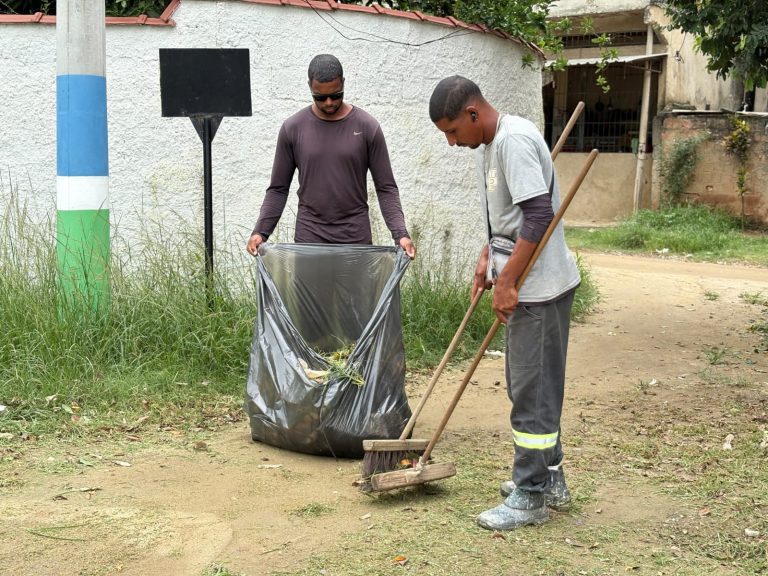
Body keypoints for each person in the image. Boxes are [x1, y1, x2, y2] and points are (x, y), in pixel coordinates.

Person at [428, 76, 580, 531]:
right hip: (528, 286)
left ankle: (530, 494)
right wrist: (486, 259)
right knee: (529, 386)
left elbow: (538, 216)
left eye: (453, 131)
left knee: (531, 393)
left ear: (473, 114)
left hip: (540, 290)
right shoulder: (491, 144)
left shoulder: (512, 141)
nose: (453, 142)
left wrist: (508, 281)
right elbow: (509, 218)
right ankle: (550, 479)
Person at [246, 54, 416, 259]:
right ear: (309, 86)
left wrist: (400, 234)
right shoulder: (293, 128)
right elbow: (278, 189)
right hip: (309, 238)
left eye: (336, 95)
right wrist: (260, 232)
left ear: (343, 83)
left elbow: (386, 188)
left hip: (355, 238)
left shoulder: (367, 127)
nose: (328, 102)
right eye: (320, 97)